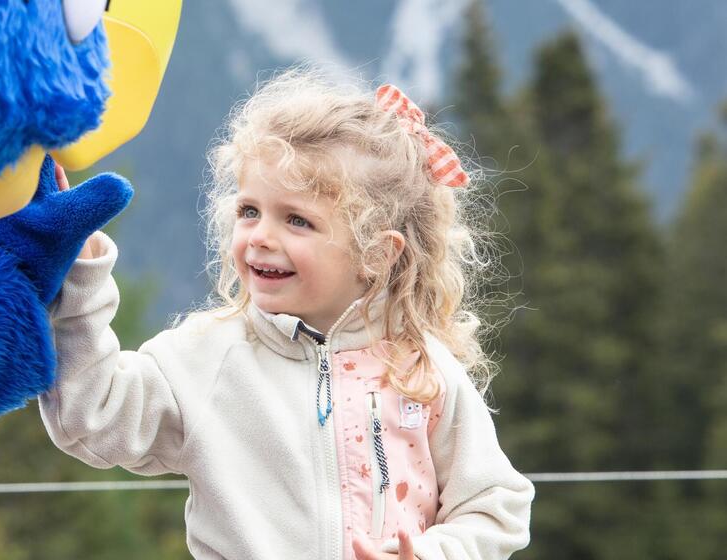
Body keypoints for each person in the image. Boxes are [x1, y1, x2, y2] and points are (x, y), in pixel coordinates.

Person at [41, 68, 534, 559]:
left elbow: (494, 506)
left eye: (297, 220)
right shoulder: (208, 357)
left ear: (377, 254)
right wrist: (82, 282)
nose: (260, 236)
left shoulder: (422, 370)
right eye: (249, 211)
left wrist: (434, 554)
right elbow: (92, 417)